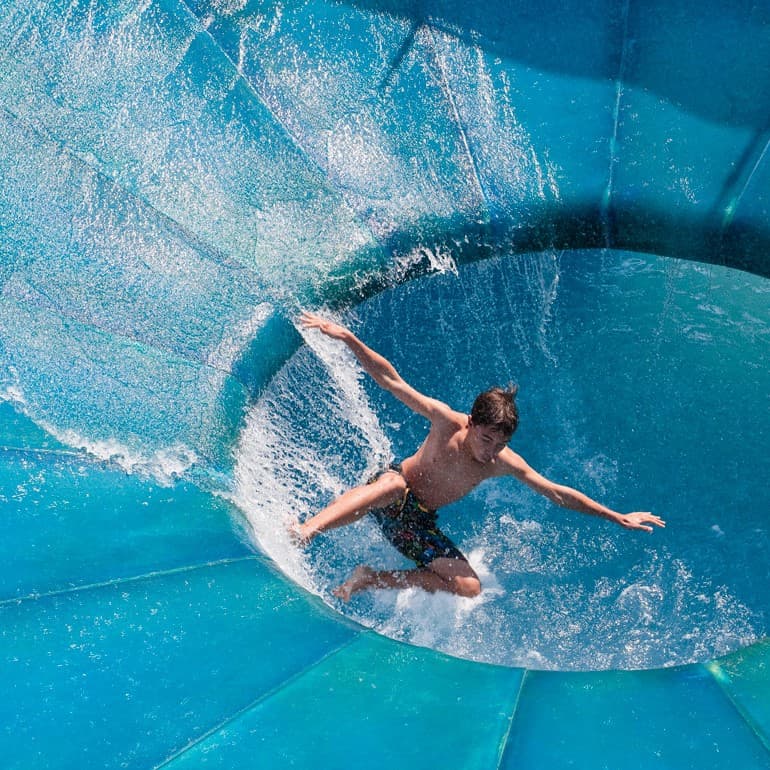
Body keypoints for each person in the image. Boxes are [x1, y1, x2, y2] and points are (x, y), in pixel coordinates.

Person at [295, 311, 665, 602]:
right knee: (392, 484)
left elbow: (556, 493)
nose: (491, 452)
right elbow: (392, 380)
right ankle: (308, 529)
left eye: (499, 445)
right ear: (471, 424)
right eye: (486, 439)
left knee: (470, 588)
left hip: (416, 525)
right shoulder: (445, 421)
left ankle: (369, 579)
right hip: (390, 496)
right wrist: (346, 337)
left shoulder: (504, 462)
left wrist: (616, 517)